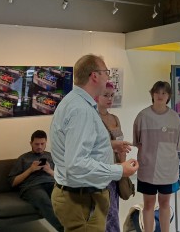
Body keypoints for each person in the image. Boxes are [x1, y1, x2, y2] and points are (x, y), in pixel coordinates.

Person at [50, 54, 139, 232]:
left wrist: (110, 145)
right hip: (82, 199)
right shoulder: (81, 110)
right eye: (106, 72)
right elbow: (76, 164)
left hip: (79, 195)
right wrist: (120, 170)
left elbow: (76, 146)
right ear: (94, 76)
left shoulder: (74, 101)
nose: (108, 77)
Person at [133, 81, 180, 232]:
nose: (160, 96)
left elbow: (178, 145)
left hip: (167, 169)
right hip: (147, 168)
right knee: (148, 204)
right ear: (152, 94)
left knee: (165, 203)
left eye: (164, 93)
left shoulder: (175, 118)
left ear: (168, 96)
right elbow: (138, 142)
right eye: (157, 92)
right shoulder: (143, 116)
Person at [8, 130, 64, 232]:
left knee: (66, 197)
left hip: (51, 183)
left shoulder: (51, 156)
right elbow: (13, 182)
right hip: (32, 187)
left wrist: (49, 170)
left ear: (46, 142)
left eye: (42, 144)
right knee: (43, 199)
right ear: (31, 143)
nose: (39, 147)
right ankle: (64, 230)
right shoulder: (23, 158)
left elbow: (62, 178)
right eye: (36, 144)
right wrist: (30, 170)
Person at [96, 82, 125, 232]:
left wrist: (123, 166)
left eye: (112, 95)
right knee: (105, 212)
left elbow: (121, 145)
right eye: (105, 95)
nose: (109, 99)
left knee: (114, 210)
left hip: (115, 170)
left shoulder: (115, 118)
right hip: (100, 170)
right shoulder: (92, 117)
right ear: (97, 96)